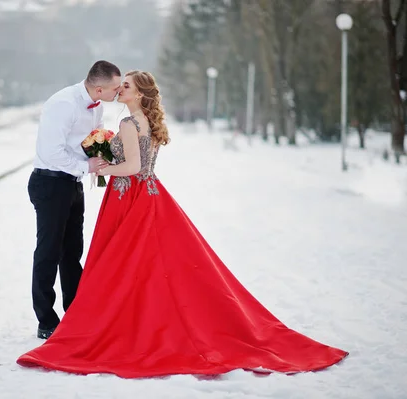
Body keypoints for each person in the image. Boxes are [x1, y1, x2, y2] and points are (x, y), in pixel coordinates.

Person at [18, 70, 348, 377]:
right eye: (120, 85)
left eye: (127, 86)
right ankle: (116, 319)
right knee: (138, 267)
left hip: (128, 195)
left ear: (140, 94)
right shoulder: (140, 120)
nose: (121, 89)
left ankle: (113, 323)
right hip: (145, 194)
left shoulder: (129, 124)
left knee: (119, 266)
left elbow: (132, 167)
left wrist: (99, 168)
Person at [28, 60, 122, 340]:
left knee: (72, 251)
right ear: (99, 87)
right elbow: (52, 151)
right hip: (49, 183)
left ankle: (76, 313)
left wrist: (105, 156)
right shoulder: (64, 104)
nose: (118, 92)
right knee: (49, 252)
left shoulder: (98, 107)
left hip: (72, 184)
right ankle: (46, 320)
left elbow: (92, 141)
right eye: (115, 88)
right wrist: (87, 167)